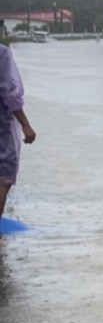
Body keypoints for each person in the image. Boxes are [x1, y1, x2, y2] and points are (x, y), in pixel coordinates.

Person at [0, 42, 38, 223]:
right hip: (2, 126)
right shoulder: (2, 54)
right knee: (3, 178)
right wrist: (26, 124)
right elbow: (10, 93)